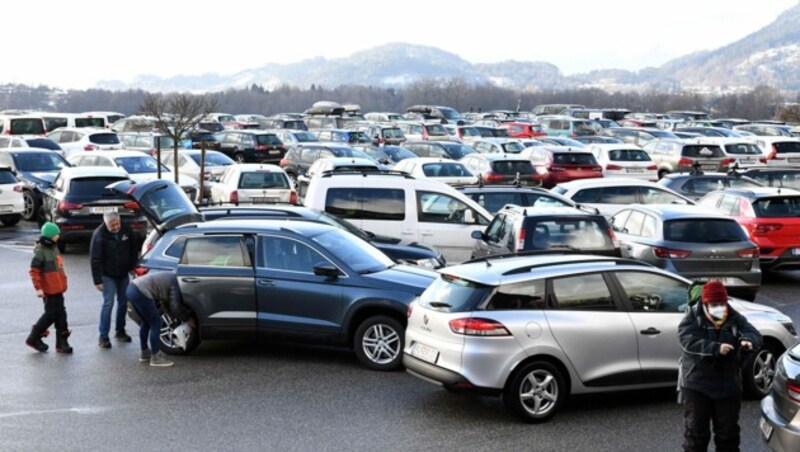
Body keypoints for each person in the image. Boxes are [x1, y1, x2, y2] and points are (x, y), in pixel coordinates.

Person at [678, 280, 762, 452]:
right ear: (706, 304)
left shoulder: (733, 316)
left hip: (728, 384)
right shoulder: (692, 318)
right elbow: (688, 342)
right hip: (697, 385)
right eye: (715, 305)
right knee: (696, 435)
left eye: (722, 304)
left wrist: (748, 341)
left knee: (728, 435)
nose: (720, 308)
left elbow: (753, 332)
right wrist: (716, 348)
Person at [90, 211, 138, 348]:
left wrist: (133, 266)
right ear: (106, 223)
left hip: (123, 274)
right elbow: (95, 259)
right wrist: (97, 280)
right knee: (108, 304)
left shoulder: (126, 230)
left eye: (117, 224)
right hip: (107, 275)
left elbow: (133, 249)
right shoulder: (99, 234)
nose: (116, 227)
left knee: (123, 302)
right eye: (112, 225)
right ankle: (103, 336)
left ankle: (120, 331)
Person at [126, 270, 193, 367]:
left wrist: (172, 317)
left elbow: (164, 302)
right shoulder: (175, 283)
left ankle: (145, 353)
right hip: (141, 292)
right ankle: (156, 358)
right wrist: (187, 319)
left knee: (145, 322)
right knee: (156, 322)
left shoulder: (170, 276)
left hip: (131, 289)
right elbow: (175, 307)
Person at [26, 222, 72, 353]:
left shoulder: (54, 248)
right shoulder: (41, 251)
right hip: (48, 290)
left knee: (61, 315)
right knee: (50, 315)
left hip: (58, 289)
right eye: (56, 234)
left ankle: (62, 342)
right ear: (50, 236)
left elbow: (59, 268)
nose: (58, 235)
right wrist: (38, 288)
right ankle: (33, 337)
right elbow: (34, 271)